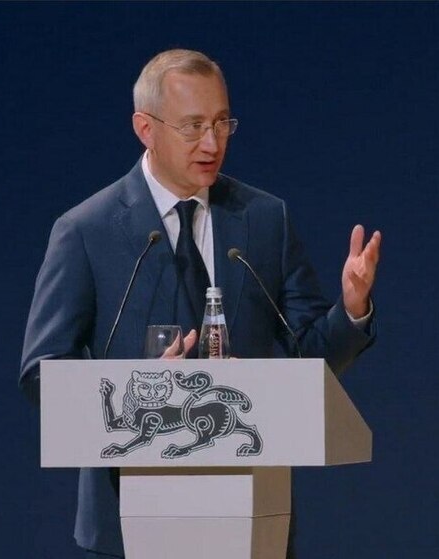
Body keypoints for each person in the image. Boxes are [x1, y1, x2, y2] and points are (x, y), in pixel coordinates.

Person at [19, 49, 381, 558]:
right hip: (126, 521)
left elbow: (309, 360)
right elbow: (42, 371)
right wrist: (136, 388)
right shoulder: (86, 231)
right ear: (145, 128)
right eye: (193, 126)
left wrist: (351, 308)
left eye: (221, 123)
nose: (212, 143)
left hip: (250, 519)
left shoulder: (264, 219)